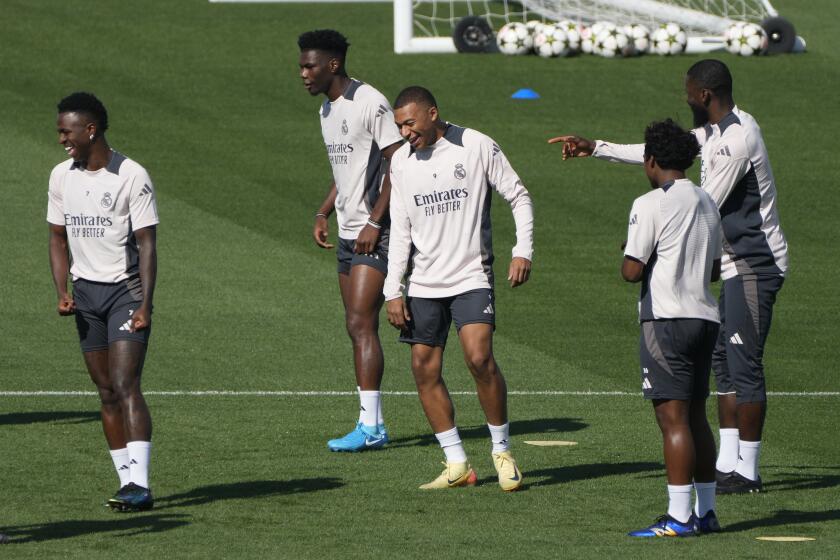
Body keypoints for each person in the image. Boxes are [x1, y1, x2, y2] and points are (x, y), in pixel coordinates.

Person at [550, 59, 787, 494]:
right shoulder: (713, 131)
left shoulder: (737, 139)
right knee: (722, 364)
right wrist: (596, 147)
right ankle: (728, 462)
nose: (685, 97)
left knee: (744, 364)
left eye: (688, 91)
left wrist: (652, 230)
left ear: (704, 96)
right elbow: (663, 152)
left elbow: (699, 203)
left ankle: (748, 472)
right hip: (726, 262)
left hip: (754, 262)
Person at [384, 86, 533, 490]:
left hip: (471, 275)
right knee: (423, 368)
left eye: (410, 123)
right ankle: (457, 464)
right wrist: (392, 290)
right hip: (424, 282)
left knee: (479, 358)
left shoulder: (475, 145)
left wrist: (523, 250)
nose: (404, 133)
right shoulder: (400, 162)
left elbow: (518, 196)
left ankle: (502, 452)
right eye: (399, 126)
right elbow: (400, 229)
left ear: (432, 113)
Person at [47, 92, 158, 511]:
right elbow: (57, 237)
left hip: (125, 293)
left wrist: (145, 303)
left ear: (90, 129)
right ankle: (127, 481)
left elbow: (147, 244)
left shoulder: (131, 175)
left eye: (66, 131)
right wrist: (62, 290)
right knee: (106, 390)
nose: (61, 139)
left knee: (127, 384)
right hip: (86, 296)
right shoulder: (62, 176)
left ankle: (141, 484)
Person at [298, 29, 403, 452]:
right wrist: (324, 210)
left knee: (361, 321)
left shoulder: (370, 102)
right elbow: (346, 171)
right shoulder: (327, 110)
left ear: (333, 65)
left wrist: (375, 222)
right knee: (357, 325)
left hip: (377, 231)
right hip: (348, 231)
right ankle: (373, 422)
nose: (303, 74)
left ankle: (371, 427)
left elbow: (400, 165)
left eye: (310, 66)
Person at [621, 119, 722, 537]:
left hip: (665, 320)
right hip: (705, 317)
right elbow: (715, 269)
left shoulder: (650, 203)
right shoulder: (707, 201)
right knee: (697, 417)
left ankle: (679, 518)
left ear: (652, 160)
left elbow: (631, 271)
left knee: (672, 420)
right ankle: (708, 512)